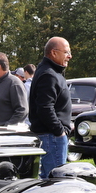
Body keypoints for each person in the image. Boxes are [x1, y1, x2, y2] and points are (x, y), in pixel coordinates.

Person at [29, 37, 73, 178]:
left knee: (52, 180)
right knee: (55, 182)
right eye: (66, 52)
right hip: (51, 137)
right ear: (54, 53)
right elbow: (45, 107)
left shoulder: (50, 72)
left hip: (52, 136)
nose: (69, 56)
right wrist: (59, 131)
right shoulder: (49, 74)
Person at [0, 53, 28, 126]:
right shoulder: (0, 83)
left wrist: (6, 128)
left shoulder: (14, 83)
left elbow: (22, 111)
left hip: (5, 135)